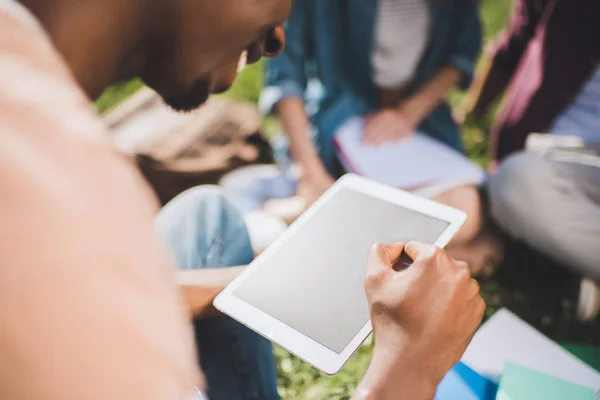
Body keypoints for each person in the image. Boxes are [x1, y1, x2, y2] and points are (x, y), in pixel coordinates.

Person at [0, 1, 485, 399]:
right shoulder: (43, 196)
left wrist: (270, 284)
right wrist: (407, 370)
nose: (278, 39)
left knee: (203, 213)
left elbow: (85, 301)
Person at [261, 0, 484, 245]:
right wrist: (310, 174)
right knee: (439, 221)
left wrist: (408, 114)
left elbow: (460, 56)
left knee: (461, 215)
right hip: (340, 123)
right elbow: (285, 74)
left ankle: (320, 224)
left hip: (420, 124)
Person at [458, 0, 600, 320]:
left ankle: (566, 268)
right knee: (515, 184)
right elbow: (512, 44)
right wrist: (472, 114)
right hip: (552, 152)